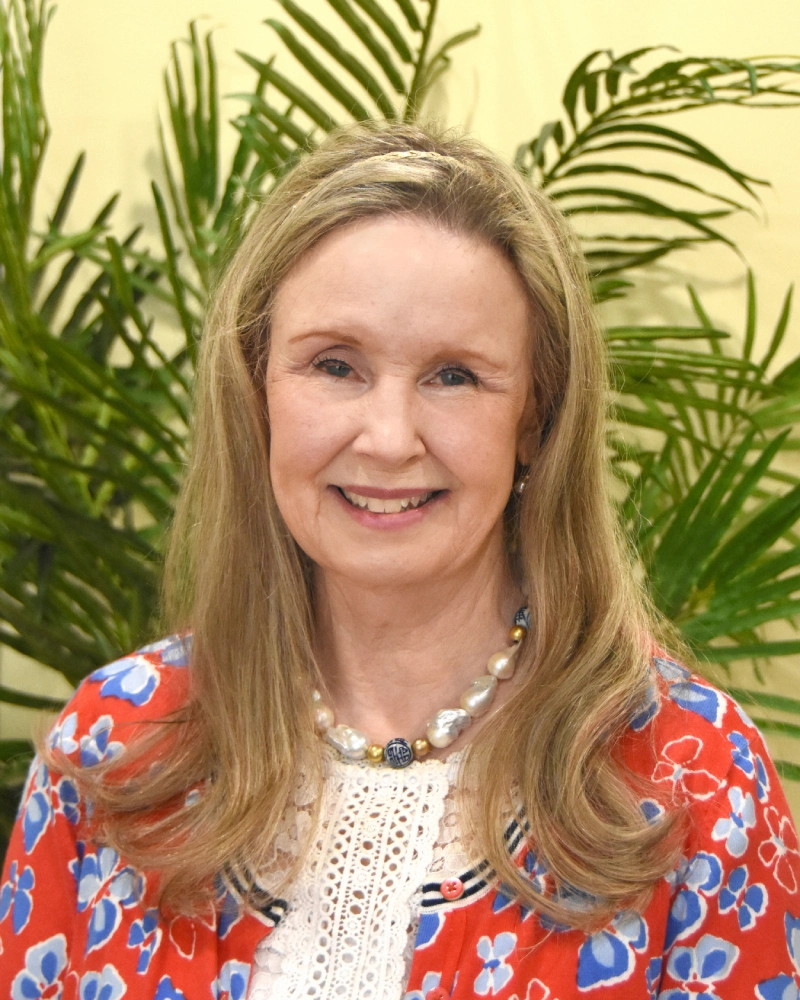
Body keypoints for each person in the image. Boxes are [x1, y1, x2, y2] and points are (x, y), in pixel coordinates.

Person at [1, 121, 798, 1000]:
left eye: (453, 376)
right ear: (257, 388)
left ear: (535, 419)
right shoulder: (117, 747)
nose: (387, 439)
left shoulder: (694, 777)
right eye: (335, 365)